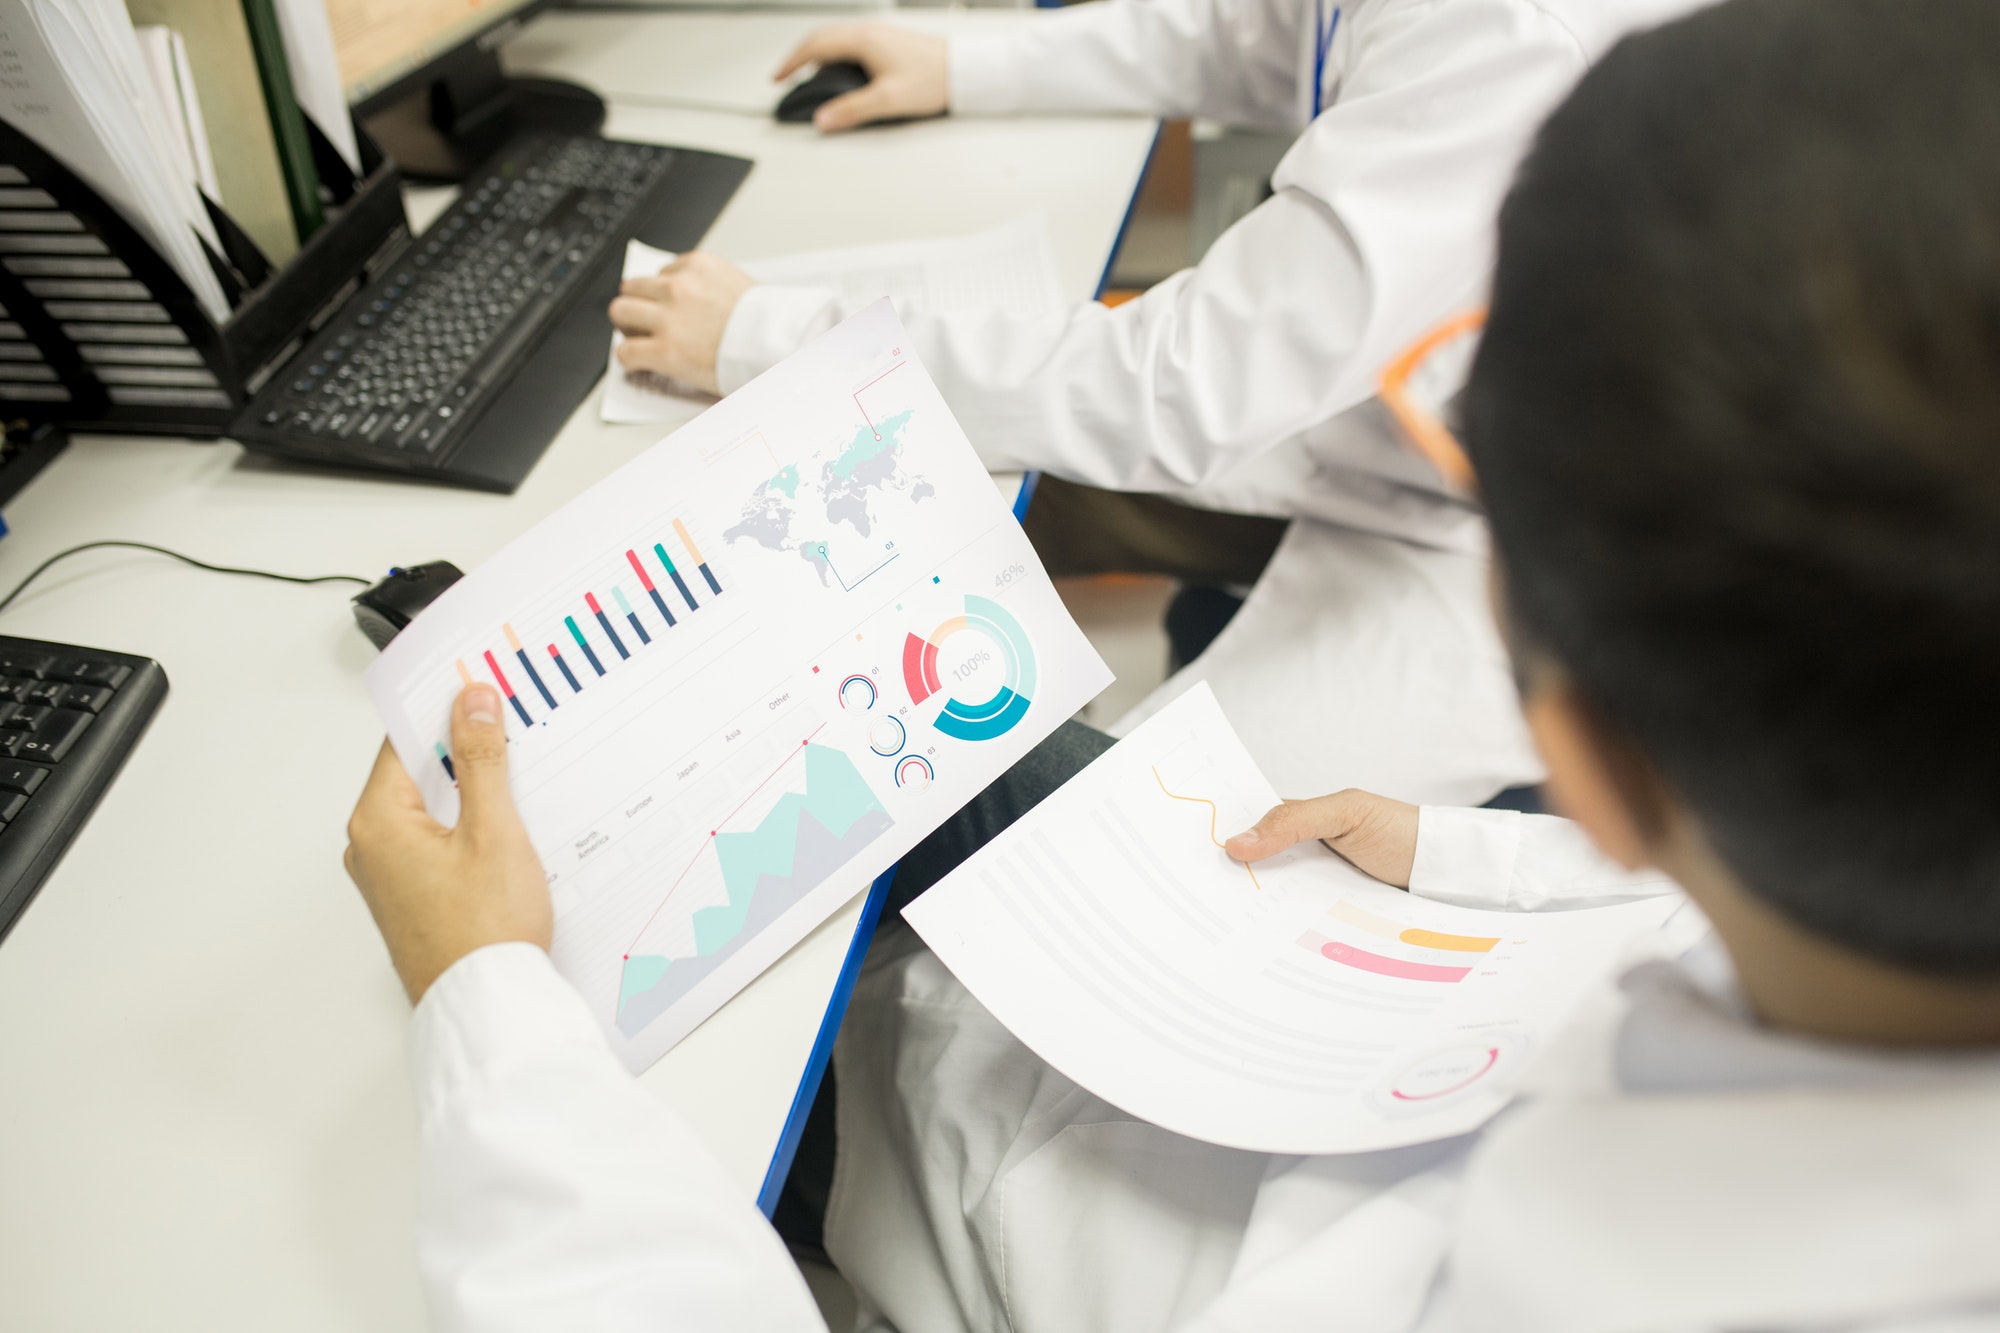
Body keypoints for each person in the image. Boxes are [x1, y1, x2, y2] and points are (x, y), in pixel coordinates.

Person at [347, 1, 2000, 1328]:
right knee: (898, 706)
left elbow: (1196, 383)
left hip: (1065, 1169)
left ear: (1596, 751)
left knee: (732, 951)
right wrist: (1478, 850)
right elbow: (1280, 37)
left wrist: (488, 1013)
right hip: (1356, 1004)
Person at [608, 0, 1707, 806]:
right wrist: (966, 64)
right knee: (907, 500)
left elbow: (1179, 390)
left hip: (1518, 555)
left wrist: (768, 337)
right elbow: (1256, 36)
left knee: (1099, 884)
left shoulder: (1512, 31)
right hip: (1391, 419)